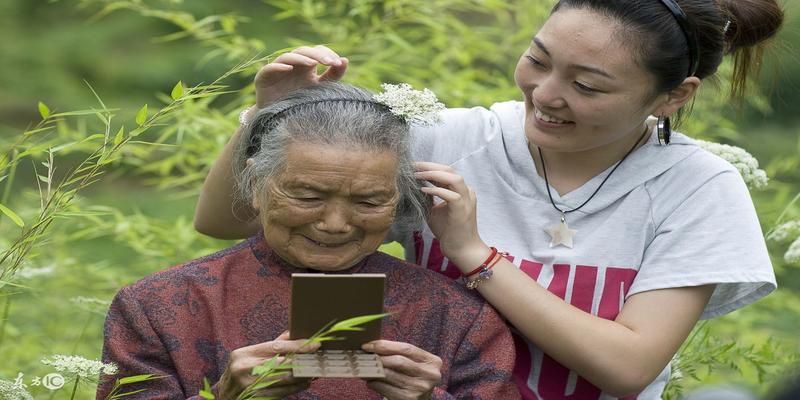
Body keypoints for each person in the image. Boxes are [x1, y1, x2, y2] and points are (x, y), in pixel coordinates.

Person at [193, 0, 784, 398]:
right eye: (538, 61)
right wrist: (267, 117)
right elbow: (223, 221)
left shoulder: (698, 188)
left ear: (673, 96)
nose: (544, 95)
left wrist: (474, 255)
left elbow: (627, 368)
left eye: (586, 86)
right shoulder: (446, 138)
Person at [97, 83, 521, 400]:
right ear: (256, 184)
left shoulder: (458, 318)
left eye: (369, 200)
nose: (336, 224)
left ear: (400, 199)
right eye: (307, 196)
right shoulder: (156, 306)